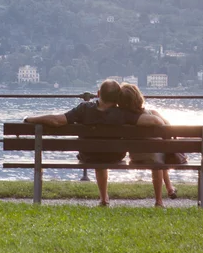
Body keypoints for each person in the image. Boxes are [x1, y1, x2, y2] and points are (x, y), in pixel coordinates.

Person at [23, 79, 164, 206]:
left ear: (98, 94)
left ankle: (104, 199)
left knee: (98, 153)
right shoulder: (123, 113)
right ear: (117, 98)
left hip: (88, 156)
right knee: (104, 151)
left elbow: (56, 120)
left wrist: (31, 119)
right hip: (114, 156)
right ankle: (107, 199)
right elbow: (155, 121)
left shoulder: (84, 109)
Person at [118, 82, 178, 207]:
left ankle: (170, 187)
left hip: (136, 156)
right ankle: (159, 201)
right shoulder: (152, 114)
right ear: (139, 98)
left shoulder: (123, 118)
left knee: (156, 154)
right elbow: (168, 128)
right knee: (158, 156)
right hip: (155, 158)